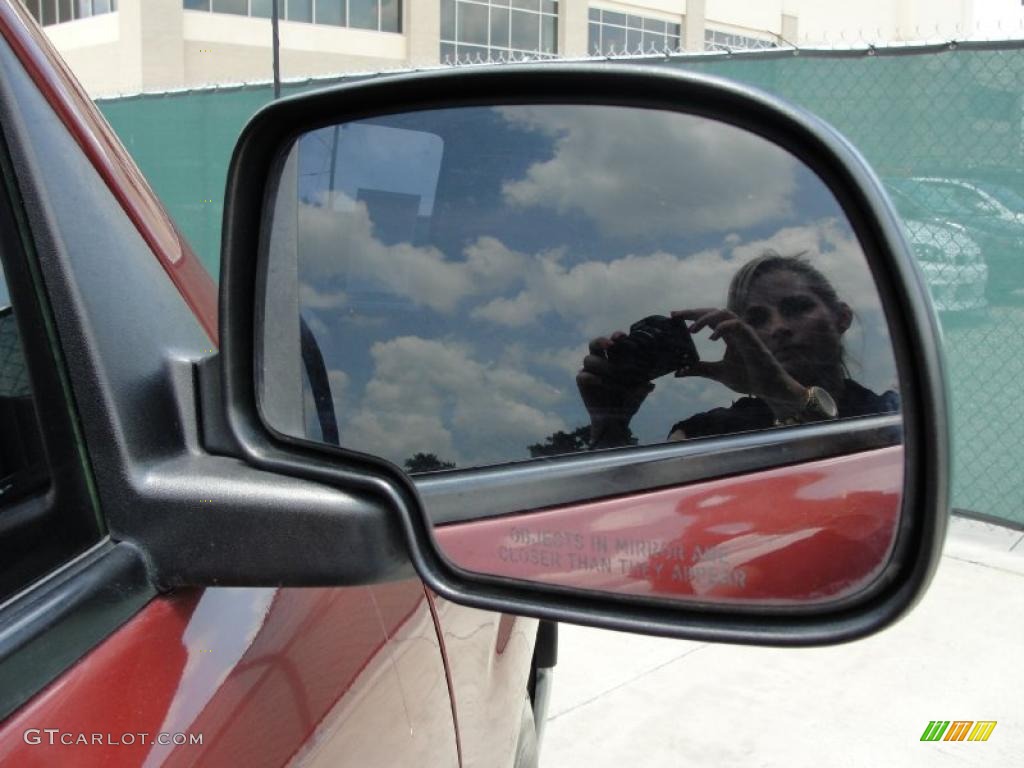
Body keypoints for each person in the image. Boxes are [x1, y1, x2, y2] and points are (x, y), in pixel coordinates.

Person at [576, 251, 900, 448]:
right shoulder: (706, 433)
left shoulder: (891, 414)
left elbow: (889, 455)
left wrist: (785, 395)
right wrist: (610, 423)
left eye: (797, 307)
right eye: (756, 318)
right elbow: (640, 516)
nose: (778, 327)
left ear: (841, 317)